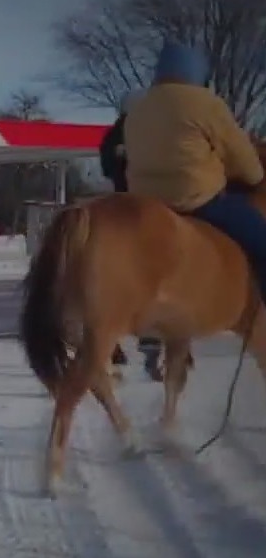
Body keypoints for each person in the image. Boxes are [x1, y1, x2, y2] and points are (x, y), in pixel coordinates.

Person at [125, 40, 266, 309]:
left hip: (143, 203)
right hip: (197, 199)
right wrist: (255, 178)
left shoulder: (138, 109)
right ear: (198, 73)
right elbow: (242, 157)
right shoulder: (205, 103)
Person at [98, 88, 163, 379]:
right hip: (145, 207)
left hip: (117, 203)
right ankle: (152, 338)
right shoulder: (147, 133)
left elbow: (105, 169)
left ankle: (108, 340)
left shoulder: (110, 136)